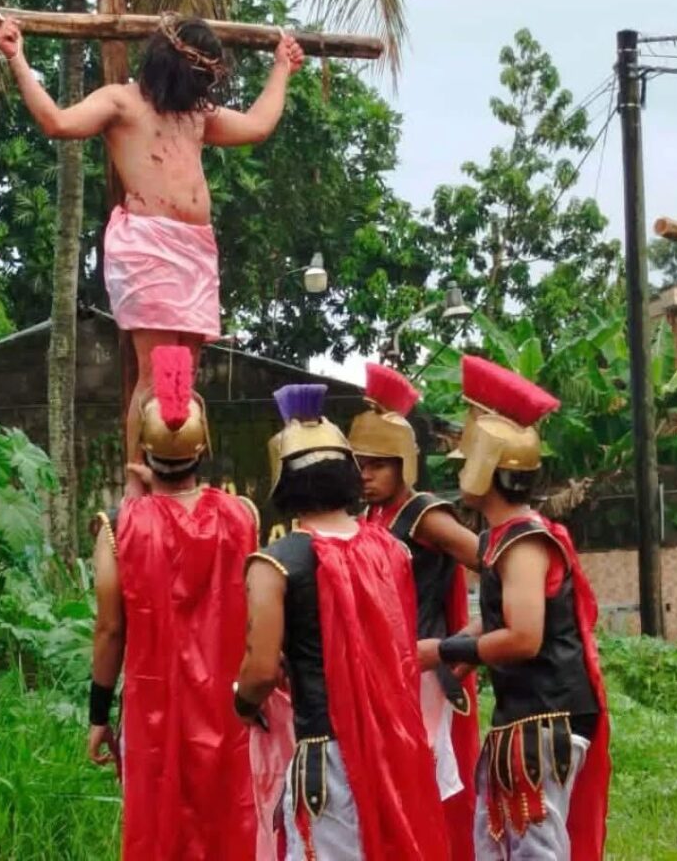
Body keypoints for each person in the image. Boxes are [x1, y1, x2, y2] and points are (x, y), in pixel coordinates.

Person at [0, 13, 305, 491]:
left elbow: (258, 126)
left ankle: (175, 469)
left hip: (196, 251)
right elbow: (57, 123)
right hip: (147, 247)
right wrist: (17, 57)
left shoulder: (194, 115)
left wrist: (281, 67)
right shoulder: (121, 101)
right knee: (157, 373)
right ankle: (139, 481)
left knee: (185, 374)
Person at [236, 384, 449, 860]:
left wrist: (242, 702)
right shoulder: (390, 550)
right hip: (396, 745)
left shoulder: (274, 563)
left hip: (325, 753)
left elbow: (261, 670)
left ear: (282, 479)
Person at [419, 356, 610, 861]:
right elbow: (503, 619)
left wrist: (443, 647)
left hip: (544, 716)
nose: (461, 470)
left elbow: (524, 636)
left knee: (532, 847)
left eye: (467, 459)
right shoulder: (505, 537)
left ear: (490, 466)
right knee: (502, 840)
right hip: (528, 717)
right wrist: (455, 651)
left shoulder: (524, 542)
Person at [87, 345, 261, 860]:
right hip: (229, 705)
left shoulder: (119, 527)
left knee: (158, 829)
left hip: (153, 707)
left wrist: (99, 713)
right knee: (229, 820)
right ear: (203, 446)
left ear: (143, 449)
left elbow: (109, 630)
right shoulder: (242, 517)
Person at [349, 362, 481, 860]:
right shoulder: (368, 517)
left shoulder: (424, 513)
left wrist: (467, 640)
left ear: (403, 463)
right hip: (383, 674)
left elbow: (501, 567)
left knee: (428, 790)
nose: (365, 473)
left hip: (424, 675)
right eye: (359, 462)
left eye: (377, 463)